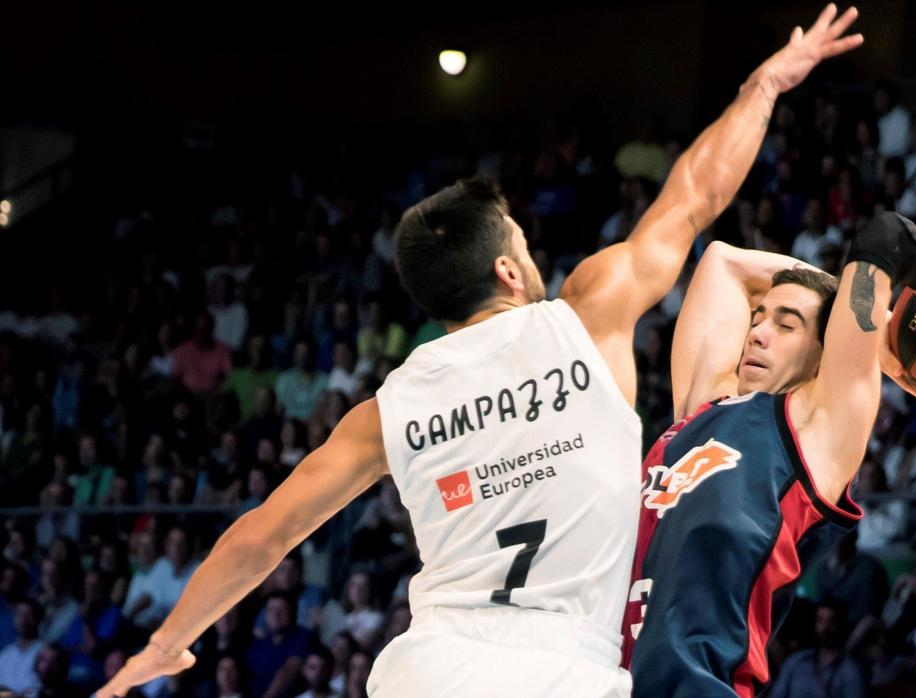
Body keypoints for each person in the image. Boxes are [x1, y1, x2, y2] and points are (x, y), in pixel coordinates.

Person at [97, 7, 865, 697]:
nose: (532, 260)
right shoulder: (584, 316)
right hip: (565, 670)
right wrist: (763, 86)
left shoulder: (386, 411)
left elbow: (263, 534)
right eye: (525, 248)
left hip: (425, 665)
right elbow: (694, 196)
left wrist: (166, 645)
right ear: (506, 268)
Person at [623, 208, 916, 696]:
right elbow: (723, 261)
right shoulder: (702, 403)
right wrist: (877, 330)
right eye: (758, 317)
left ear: (823, 353)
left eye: (787, 324)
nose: (756, 331)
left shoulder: (819, 427)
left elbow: (886, 235)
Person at [769, 598, 868, 698]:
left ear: (840, 624)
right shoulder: (796, 661)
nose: (825, 627)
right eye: (820, 620)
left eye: (831, 621)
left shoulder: (850, 670)